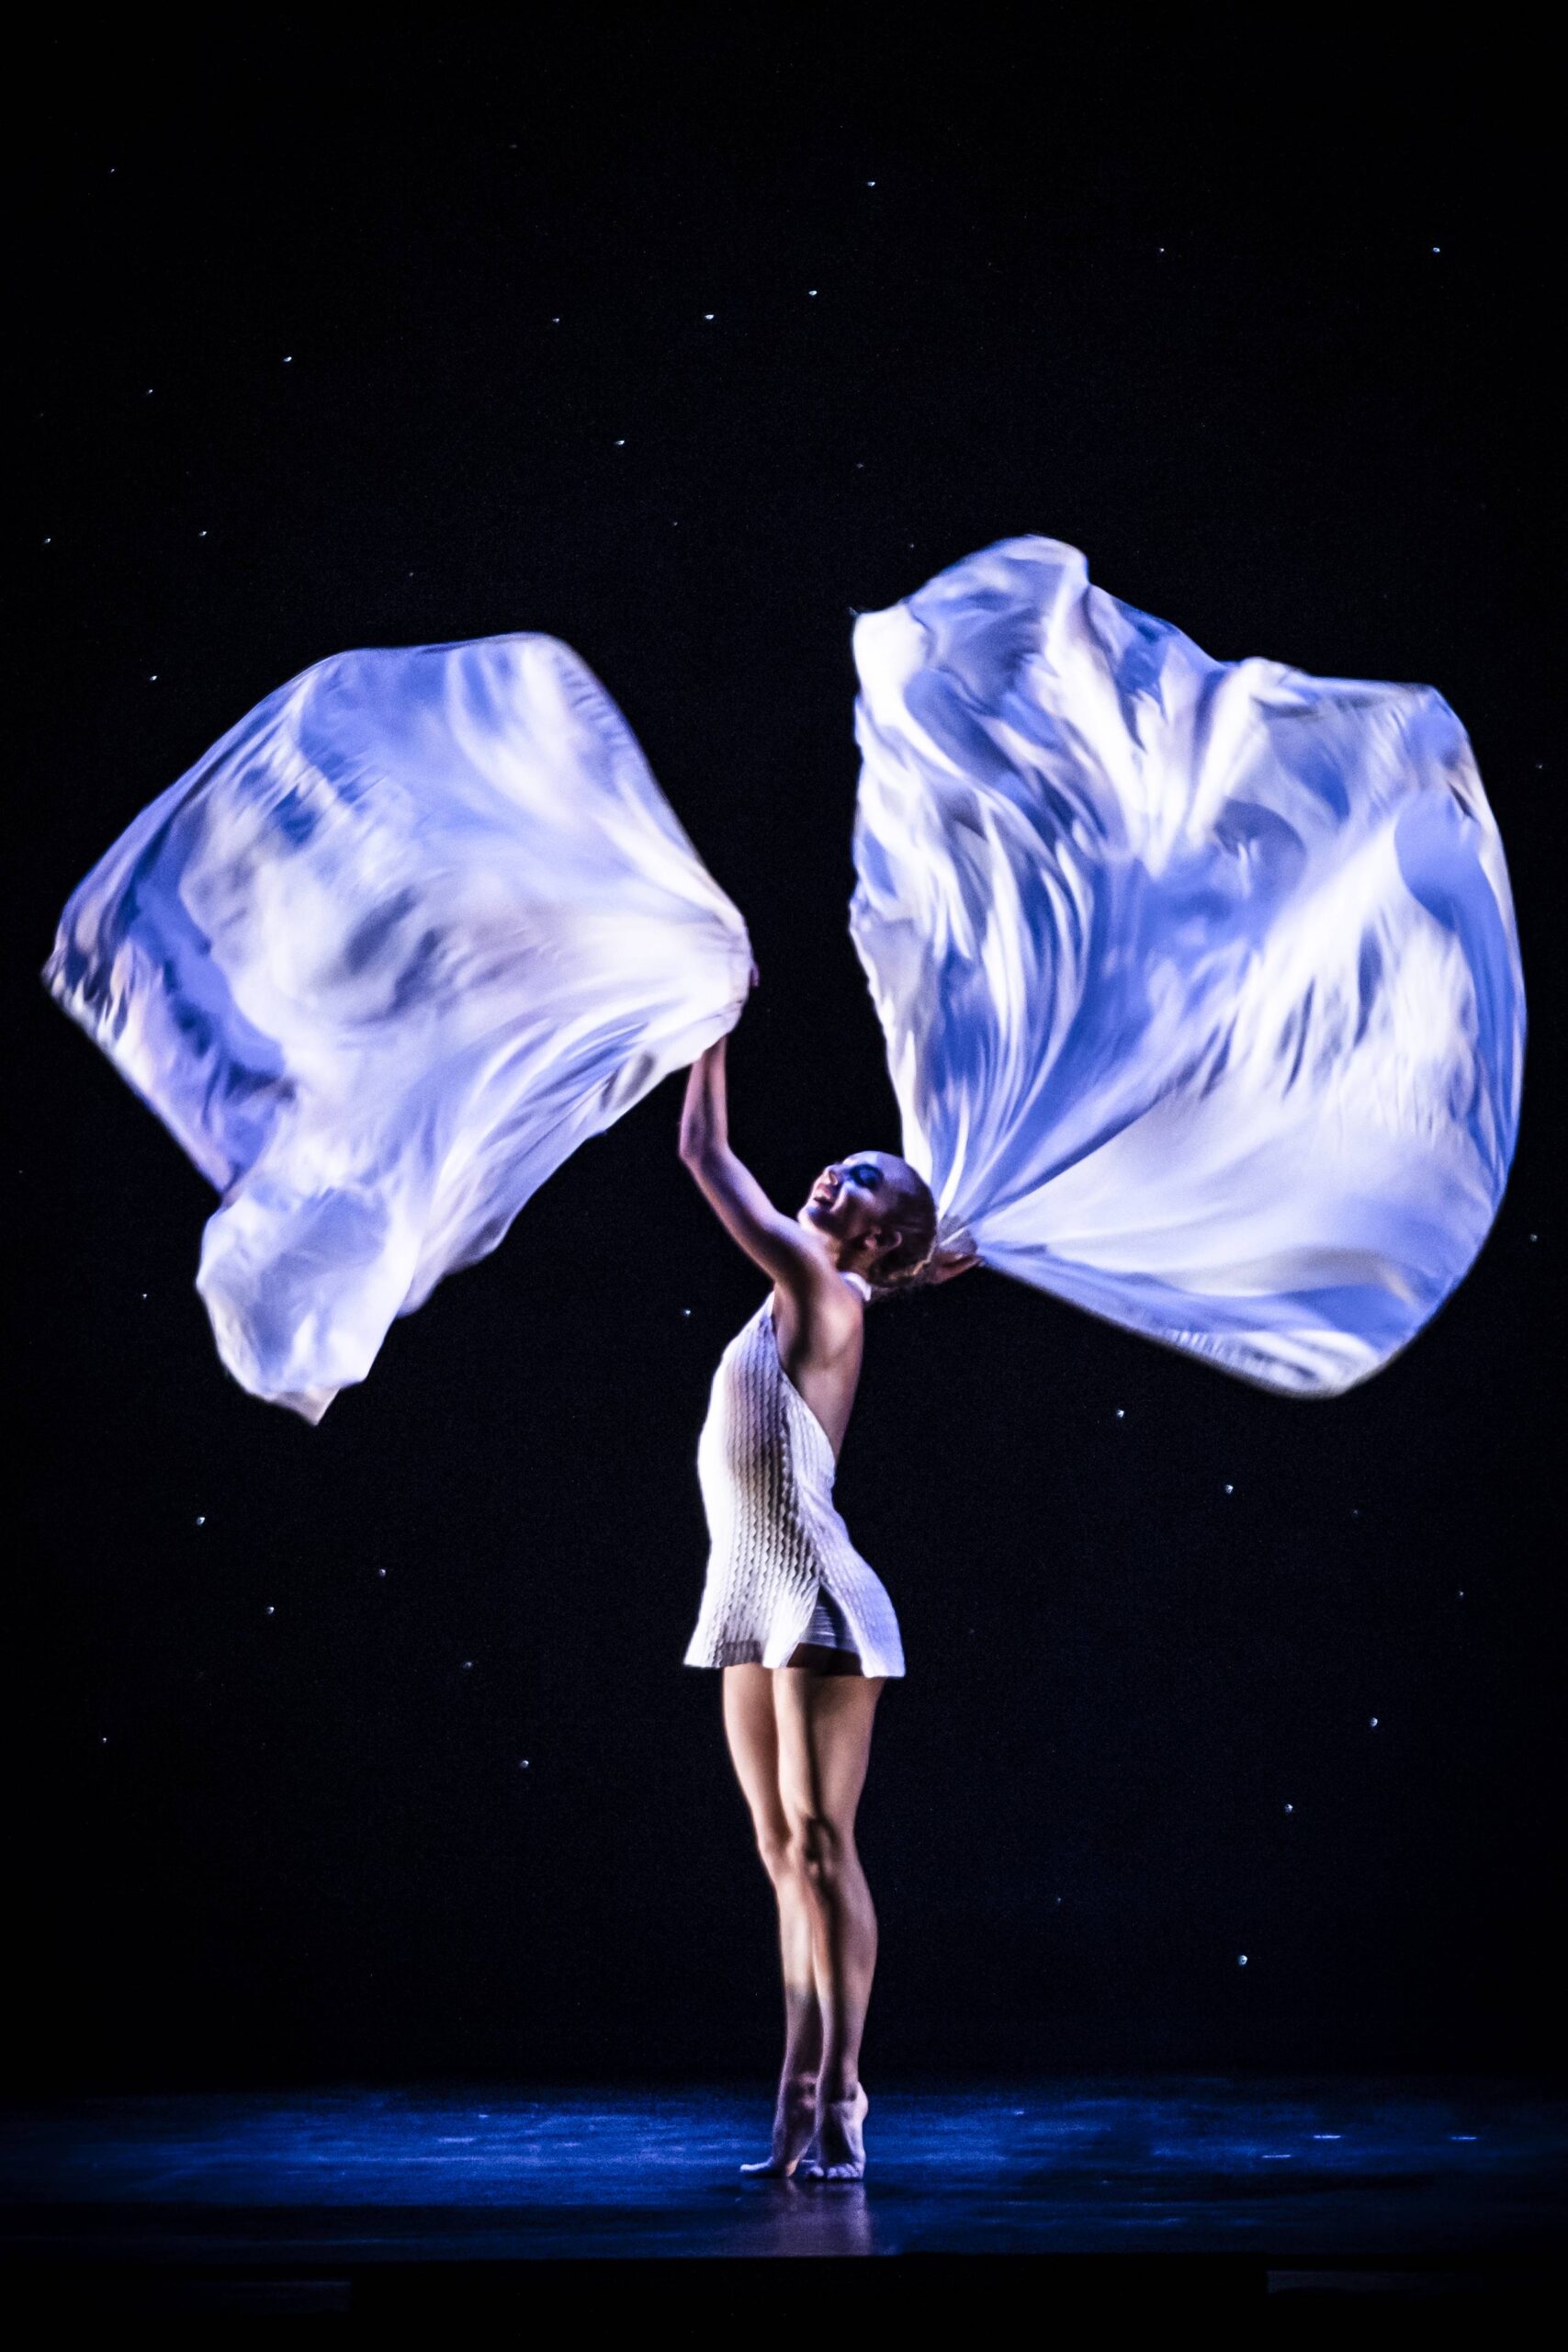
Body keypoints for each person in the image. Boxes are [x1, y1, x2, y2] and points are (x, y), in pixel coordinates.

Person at [679, 1012, 975, 2178]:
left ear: (881, 1231)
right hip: (748, 1591)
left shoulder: (820, 1284)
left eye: (862, 1180)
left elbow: (705, 1158)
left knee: (818, 1842)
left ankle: (837, 2093)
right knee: (775, 1846)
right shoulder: (824, 1292)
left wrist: (711, 1031)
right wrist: (919, 1260)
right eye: (843, 1161)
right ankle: (796, 2099)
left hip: (816, 1595)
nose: (833, 1174)